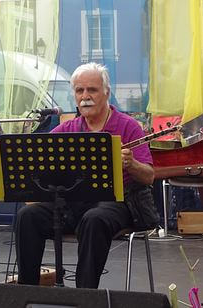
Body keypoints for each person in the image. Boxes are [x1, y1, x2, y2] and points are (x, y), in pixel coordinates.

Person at [15, 62, 157, 289]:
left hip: (116, 203)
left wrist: (131, 164)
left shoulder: (129, 126)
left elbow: (149, 176)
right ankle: (25, 291)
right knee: (27, 216)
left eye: (92, 90)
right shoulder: (66, 129)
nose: (85, 96)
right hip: (71, 205)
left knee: (94, 219)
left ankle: (85, 296)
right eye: (79, 90)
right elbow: (38, 166)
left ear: (107, 93)